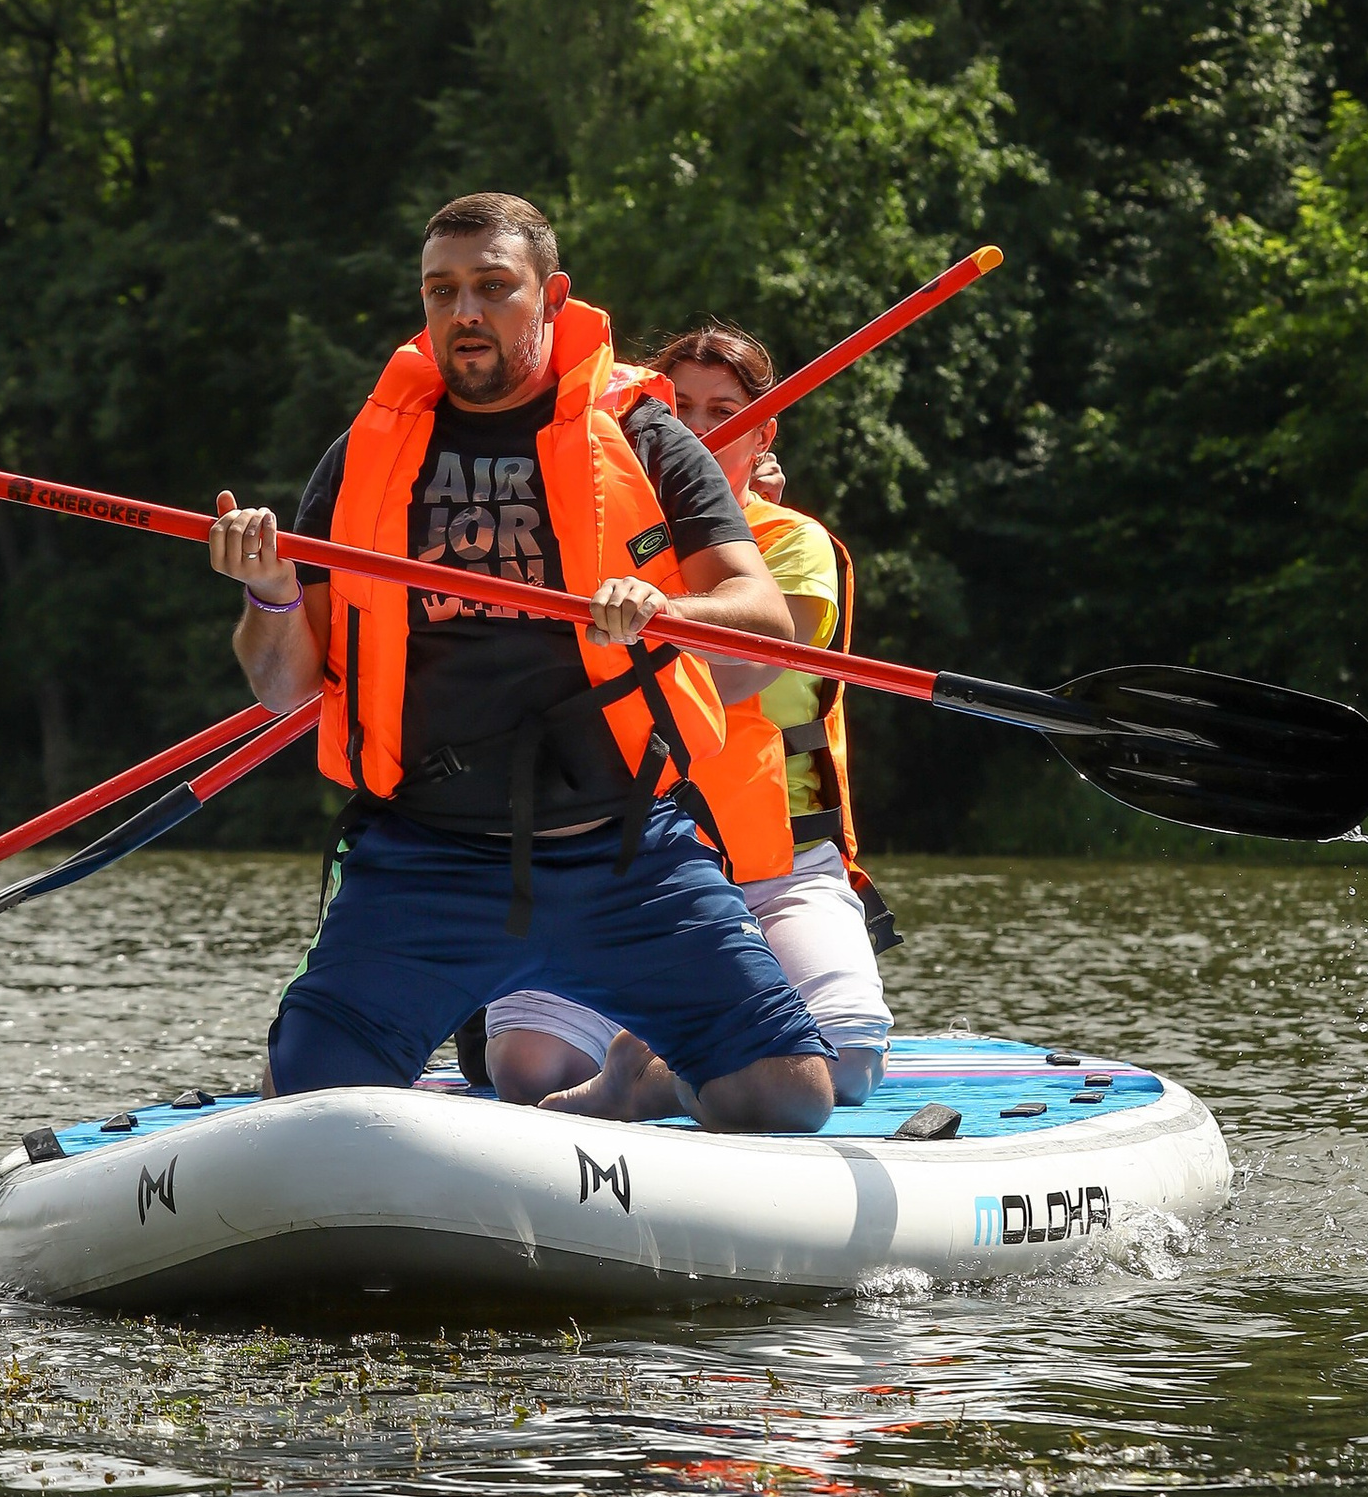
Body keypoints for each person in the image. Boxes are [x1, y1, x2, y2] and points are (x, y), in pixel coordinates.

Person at [209, 197, 836, 1134]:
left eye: (493, 288)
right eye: (442, 291)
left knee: (785, 1099)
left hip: (625, 851)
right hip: (425, 854)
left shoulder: (649, 440)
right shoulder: (365, 457)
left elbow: (760, 617)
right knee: (310, 1105)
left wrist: (664, 607)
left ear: (551, 295)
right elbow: (285, 687)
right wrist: (268, 595)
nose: (465, 312)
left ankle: (640, 1079)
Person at [478, 321, 893, 1115]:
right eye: (682, 410)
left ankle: (650, 1082)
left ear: (764, 432)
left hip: (773, 866)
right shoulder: (582, 537)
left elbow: (743, 674)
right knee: (525, 1071)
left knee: (845, 1060)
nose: (702, 432)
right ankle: (635, 1056)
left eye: (725, 412)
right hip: (618, 856)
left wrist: (649, 619)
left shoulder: (790, 544)